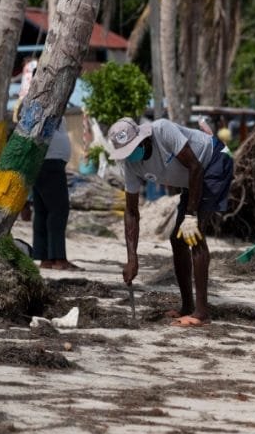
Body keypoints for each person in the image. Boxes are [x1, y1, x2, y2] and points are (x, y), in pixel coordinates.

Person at [108, 116, 234, 327]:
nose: (130, 156)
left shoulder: (163, 130)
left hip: (213, 160)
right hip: (191, 178)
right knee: (177, 240)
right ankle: (187, 305)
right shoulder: (129, 165)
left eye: (132, 149)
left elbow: (195, 166)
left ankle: (202, 312)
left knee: (193, 234)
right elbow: (131, 211)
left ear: (144, 140)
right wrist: (132, 257)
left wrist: (191, 215)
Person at [33, 122, 78, 270]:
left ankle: (45, 258)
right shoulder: (44, 102)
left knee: (43, 211)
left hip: (42, 160)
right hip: (50, 162)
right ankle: (58, 258)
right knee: (58, 210)